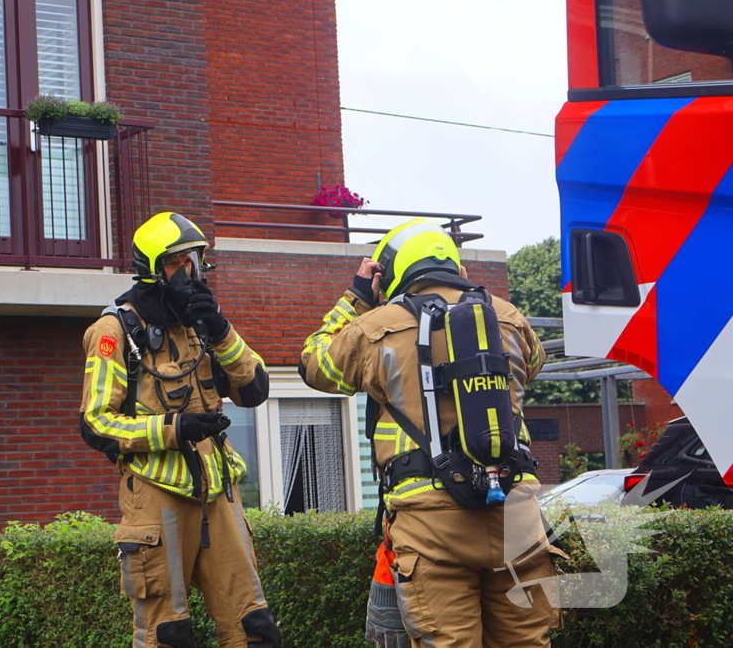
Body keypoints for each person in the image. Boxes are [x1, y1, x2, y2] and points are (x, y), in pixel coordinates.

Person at [299, 220, 559, 648]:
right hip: (517, 514)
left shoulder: (376, 327)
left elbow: (315, 365)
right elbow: (533, 364)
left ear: (393, 269)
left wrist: (357, 298)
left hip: (431, 522)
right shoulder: (507, 317)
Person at [80, 212, 280, 648]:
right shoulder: (114, 331)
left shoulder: (201, 324)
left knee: (255, 630)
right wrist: (175, 428)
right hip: (156, 496)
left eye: (195, 260)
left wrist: (223, 330)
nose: (191, 272)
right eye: (178, 262)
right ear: (152, 268)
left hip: (218, 490)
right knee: (169, 636)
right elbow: (95, 423)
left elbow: (256, 391)